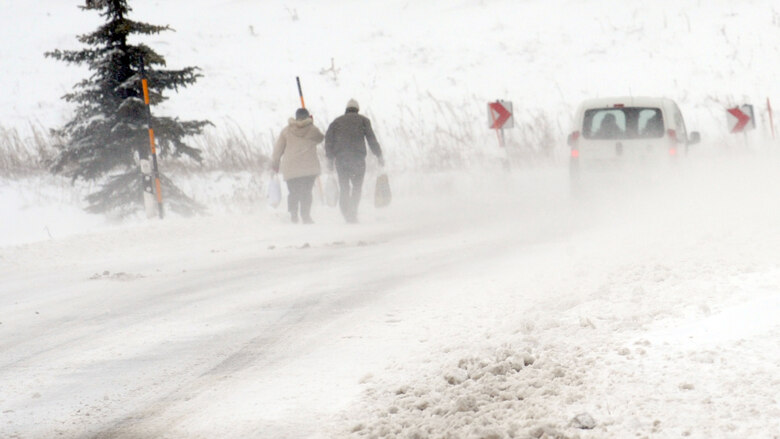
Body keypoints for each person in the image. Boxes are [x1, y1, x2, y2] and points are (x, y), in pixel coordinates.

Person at [325, 99, 384, 223]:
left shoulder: (336, 122)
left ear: (346, 110)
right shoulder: (363, 120)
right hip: (358, 160)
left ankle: (346, 213)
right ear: (357, 110)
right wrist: (379, 155)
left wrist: (330, 159)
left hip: (341, 160)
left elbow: (328, 141)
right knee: (357, 188)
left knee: (344, 188)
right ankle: (352, 212)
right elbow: (371, 140)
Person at [271, 108, 325, 224]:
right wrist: (311, 123)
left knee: (293, 193)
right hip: (308, 168)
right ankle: (306, 216)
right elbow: (321, 138)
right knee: (306, 192)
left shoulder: (286, 131)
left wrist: (275, 163)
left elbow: (278, 149)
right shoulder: (312, 130)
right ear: (308, 117)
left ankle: (293, 216)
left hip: (291, 168)